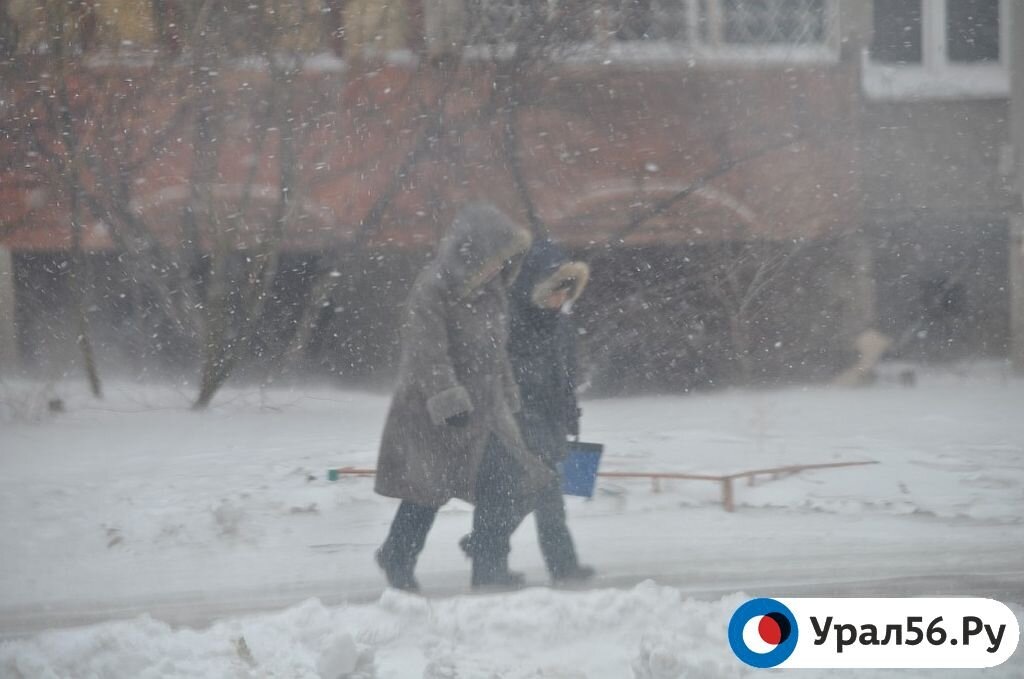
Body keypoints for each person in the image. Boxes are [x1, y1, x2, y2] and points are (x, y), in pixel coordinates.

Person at [373, 202, 554, 592]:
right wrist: (448, 400)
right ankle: (397, 555)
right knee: (426, 493)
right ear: (472, 252)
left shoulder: (493, 293)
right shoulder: (433, 289)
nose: (498, 268)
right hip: (432, 415)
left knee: (508, 482)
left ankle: (489, 566)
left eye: (505, 260)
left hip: (486, 413)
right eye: (493, 258)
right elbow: (426, 351)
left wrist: (510, 398)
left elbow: (496, 353)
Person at [460, 239, 595, 583]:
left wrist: (568, 413)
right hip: (509, 426)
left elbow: (563, 375)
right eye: (554, 291)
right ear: (535, 286)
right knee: (500, 498)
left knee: (548, 500)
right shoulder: (510, 324)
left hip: (545, 425)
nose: (560, 299)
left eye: (566, 292)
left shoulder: (559, 325)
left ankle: (562, 566)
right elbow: (502, 376)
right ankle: (488, 570)